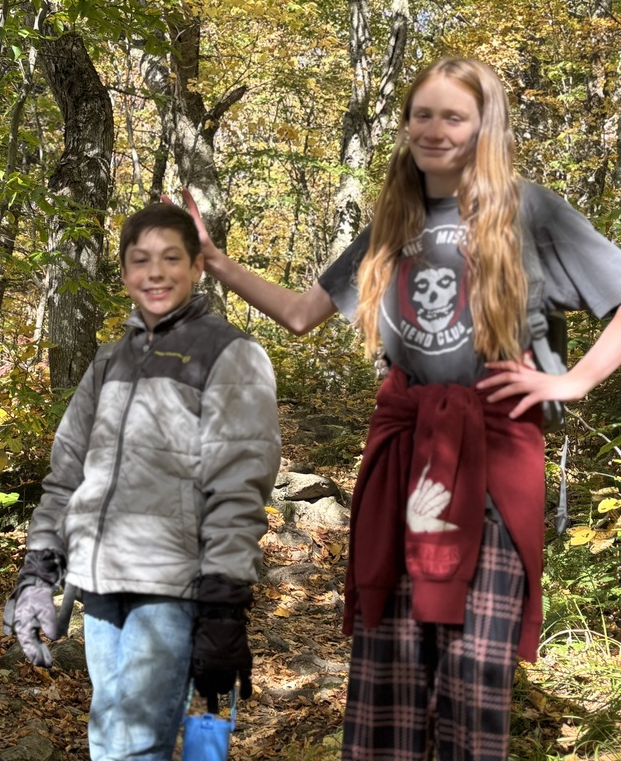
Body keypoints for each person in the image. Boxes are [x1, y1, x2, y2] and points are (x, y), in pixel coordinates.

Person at [180, 56, 621, 760]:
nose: (435, 129)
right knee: (388, 675)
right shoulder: (394, 221)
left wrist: (574, 382)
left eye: (454, 116)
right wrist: (216, 262)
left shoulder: (527, 210)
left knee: (474, 681)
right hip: (404, 464)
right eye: (423, 114)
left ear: (484, 126)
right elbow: (300, 314)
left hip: (492, 468)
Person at [3, 201, 283, 760]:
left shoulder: (232, 354)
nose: (155, 272)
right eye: (140, 259)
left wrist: (224, 606)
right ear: (126, 272)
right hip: (99, 584)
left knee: (131, 746)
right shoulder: (110, 361)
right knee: (110, 736)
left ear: (198, 266)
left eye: (171, 258)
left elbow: (238, 491)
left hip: (173, 587)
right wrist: (39, 570)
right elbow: (66, 476)